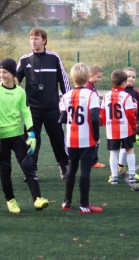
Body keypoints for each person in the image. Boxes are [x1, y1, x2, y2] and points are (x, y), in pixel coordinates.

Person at [0, 58, 49, 213]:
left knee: (27, 164)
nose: (1, 75)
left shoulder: (20, 92)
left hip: (17, 134)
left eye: (5, 72)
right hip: (0, 137)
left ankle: (37, 199)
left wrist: (32, 132)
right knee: (5, 168)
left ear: (13, 74)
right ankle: (10, 200)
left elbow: (26, 113)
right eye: (0, 72)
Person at [16, 27, 71, 179]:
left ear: (44, 40)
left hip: (52, 107)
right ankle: (31, 169)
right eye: (31, 39)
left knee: (58, 138)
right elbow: (14, 81)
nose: (33, 42)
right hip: (31, 109)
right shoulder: (24, 60)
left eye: (36, 39)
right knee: (32, 139)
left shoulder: (54, 58)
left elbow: (64, 81)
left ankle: (63, 166)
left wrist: (68, 103)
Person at [59, 63, 103, 214]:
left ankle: (67, 201)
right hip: (86, 138)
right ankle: (84, 204)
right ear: (87, 77)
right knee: (85, 170)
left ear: (71, 78)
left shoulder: (66, 96)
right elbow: (95, 118)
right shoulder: (91, 95)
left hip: (71, 139)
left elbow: (64, 118)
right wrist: (96, 136)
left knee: (71, 169)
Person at [100, 70, 137, 184]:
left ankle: (114, 176)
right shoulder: (126, 96)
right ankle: (132, 175)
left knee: (113, 152)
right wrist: (134, 125)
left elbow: (102, 112)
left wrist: (108, 123)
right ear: (124, 82)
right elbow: (130, 114)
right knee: (129, 149)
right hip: (125, 128)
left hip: (112, 128)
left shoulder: (106, 96)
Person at [117, 67, 139, 179]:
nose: (131, 79)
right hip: (121, 124)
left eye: (133, 77)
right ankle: (120, 167)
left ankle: (121, 166)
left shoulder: (136, 93)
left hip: (132, 124)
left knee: (128, 146)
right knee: (122, 147)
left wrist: (138, 122)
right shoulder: (121, 92)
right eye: (128, 76)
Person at [85, 65, 105, 168]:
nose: (100, 79)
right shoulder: (88, 86)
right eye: (98, 77)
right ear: (91, 75)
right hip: (90, 118)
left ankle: (91, 160)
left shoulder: (91, 85)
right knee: (94, 138)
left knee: (93, 138)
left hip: (93, 117)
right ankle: (93, 161)